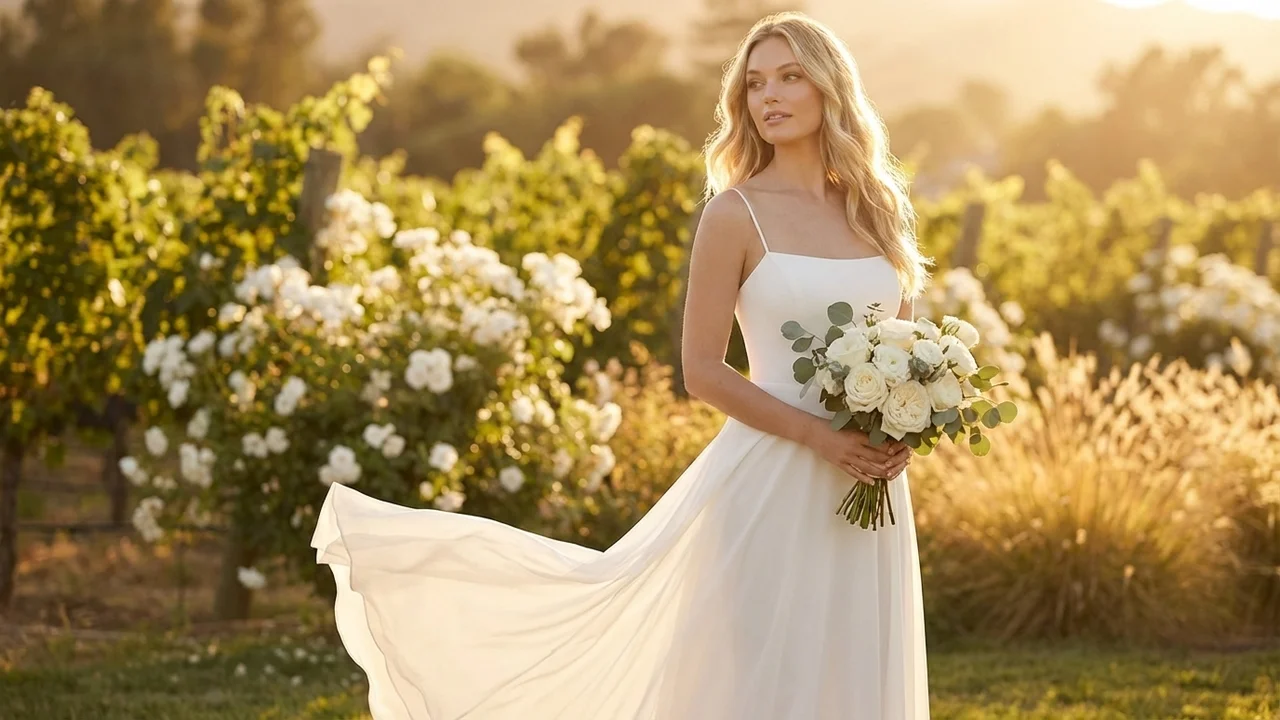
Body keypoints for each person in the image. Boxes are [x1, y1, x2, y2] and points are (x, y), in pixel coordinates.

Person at [312, 10, 931, 719]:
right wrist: (822, 438)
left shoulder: (878, 213)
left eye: (790, 76)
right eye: (755, 83)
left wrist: (902, 428)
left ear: (830, 88)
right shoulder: (735, 214)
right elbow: (702, 371)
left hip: (872, 490)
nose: (770, 96)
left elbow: (901, 353)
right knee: (769, 682)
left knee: (857, 673)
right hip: (773, 479)